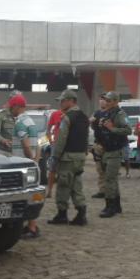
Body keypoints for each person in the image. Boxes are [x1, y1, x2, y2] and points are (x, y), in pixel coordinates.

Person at [0, 93, 41, 238]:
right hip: (4, 155)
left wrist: (30, 159)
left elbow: (27, 144)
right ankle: (24, 224)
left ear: (17, 106)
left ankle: (20, 223)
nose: (11, 108)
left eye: (13, 106)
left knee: (15, 191)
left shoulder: (20, 121)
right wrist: (35, 161)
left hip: (19, 160)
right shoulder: (26, 120)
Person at [47, 89, 89, 226]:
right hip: (80, 156)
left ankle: (62, 214)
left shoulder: (67, 117)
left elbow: (61, 139)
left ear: (71, 101)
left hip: (68, 157)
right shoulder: (83, 116)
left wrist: (55, 156)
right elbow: (86, 137)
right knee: (76, 185)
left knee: (63, 186)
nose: (61, 103)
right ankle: (81, 213)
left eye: (63, 101)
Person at [99, 91, 132, 218]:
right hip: (107, 150)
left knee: (109, 180)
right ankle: (117, 206)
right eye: (105, 100)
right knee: (112, 180)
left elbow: (128, 130)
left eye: (108, 100)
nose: (105, 102)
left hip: (115, 150)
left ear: (115, 102)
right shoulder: (108, 114)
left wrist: (111, 128)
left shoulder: (120, 114)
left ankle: (110, 207)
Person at [90, 95, 108, 198]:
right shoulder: (97, 113)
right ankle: (102, 190)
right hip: (98, 144)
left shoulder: (111, 113)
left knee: (107, 169)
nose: (101, 101)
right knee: (100, 169)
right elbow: (91, 121)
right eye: (100, 99)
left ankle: (109, 191)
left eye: (104, 99)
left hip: (108, 145)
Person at [46, 103, 64, 198]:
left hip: (67, 146)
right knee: (52, 169)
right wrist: (51, 141)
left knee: (65, 170)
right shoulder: (55, 114)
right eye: (60, 102)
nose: (61, 104)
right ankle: (49, 190)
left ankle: (63, 192)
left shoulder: (72, 115)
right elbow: (48, 130)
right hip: (56, 145)